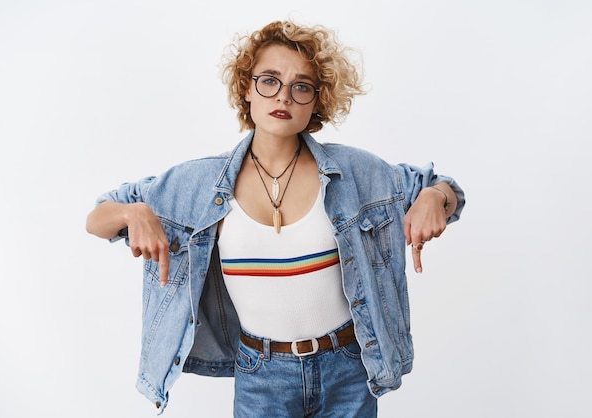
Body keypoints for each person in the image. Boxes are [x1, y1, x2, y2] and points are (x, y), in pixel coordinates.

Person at [86, 20, 465, 417]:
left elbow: (447, 191)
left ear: (317, 101)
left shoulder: (356, 172)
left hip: (349, 370)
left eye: (301, 86)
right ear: (246, 87)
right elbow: (97, 218)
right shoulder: (196, 183)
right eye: (269, 80)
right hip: (261, 375)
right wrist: (135, 211)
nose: (283, 95)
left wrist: (431, 196)